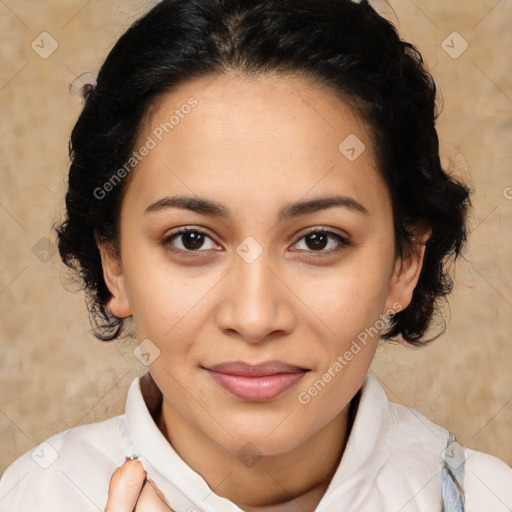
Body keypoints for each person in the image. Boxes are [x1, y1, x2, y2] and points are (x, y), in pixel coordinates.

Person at [0, 0, 510, 510]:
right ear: (115, 266)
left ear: (405, 264)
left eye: (318, 240)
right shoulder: (34, 496)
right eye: (192, 239)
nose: (254, 317)